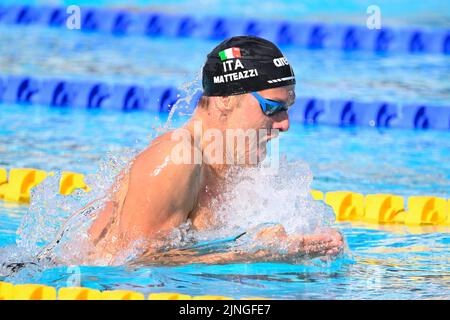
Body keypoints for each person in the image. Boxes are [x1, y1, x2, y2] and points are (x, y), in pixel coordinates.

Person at [83, 35, 344, 265]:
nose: (285, 124)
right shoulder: (176, 159)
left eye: (287, 108)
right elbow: (132, 266)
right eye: (272, 108)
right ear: (226, 99)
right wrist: (261, 253)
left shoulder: (232, 164)